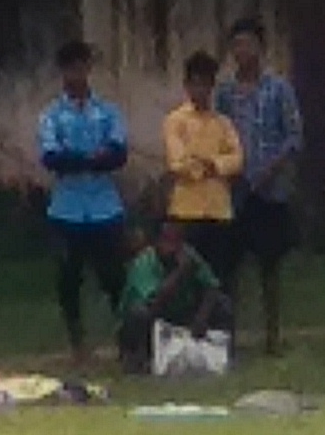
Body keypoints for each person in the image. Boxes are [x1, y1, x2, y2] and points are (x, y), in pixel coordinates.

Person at [36, 41, 131, 365]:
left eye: (81, 67)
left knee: (115, 278)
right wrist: (92, 158)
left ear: (89, 69)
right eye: (70, 69)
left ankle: (126, 341)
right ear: (62, 73)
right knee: (69, 280)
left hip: (105, 207)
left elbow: (119, 154)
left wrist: (79, 159)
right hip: (66, 209)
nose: (76, 75)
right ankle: (78, 345)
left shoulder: (107, 112)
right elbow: (51, 157)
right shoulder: (51, 116)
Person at [215, 19, 304, 353]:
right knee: (230, 266)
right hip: (235, 188)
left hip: (270, 189)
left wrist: (271, 169)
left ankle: (272, 336)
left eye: (248, 44)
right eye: (236, 45)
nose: (242, 52)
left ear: (260, 48)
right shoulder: (225, 93)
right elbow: (219, 133)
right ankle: (230, 336)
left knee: (270, 264)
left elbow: (294, 136)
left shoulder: (278, 88)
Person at [161, 52, 243, 286]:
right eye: (195, 84)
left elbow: (237, 159)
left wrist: (213, 164)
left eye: (205, 84)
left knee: (220, 277)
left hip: (219, 209)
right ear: (187, 86)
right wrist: (211, 165)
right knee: (185, 277)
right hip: (186, 210)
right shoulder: (175, 121)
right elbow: (177, 162)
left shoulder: (223, 123)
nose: (200, 90)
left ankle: (219, 322)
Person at [121, 218, 234, 374]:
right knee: (138, 313)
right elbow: (154, 302)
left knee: (223, 304)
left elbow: (212, 287)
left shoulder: (189, 255)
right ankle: (138, 358)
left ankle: (221, 354)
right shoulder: (144, 263)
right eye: (167, 241)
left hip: (183, 310)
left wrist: (202, 317)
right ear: (157, 242)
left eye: (177, 241)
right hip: (154, 316)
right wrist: (180, 272)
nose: (173, 248)